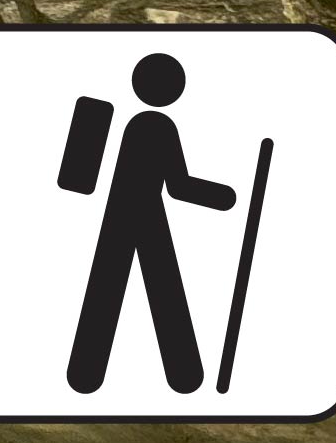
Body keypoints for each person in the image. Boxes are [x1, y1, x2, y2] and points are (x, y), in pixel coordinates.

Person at [67, 52, 238, 394]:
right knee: (163, 290)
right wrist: (226, 197)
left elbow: (76, 177)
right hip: (144, 214)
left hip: (119, 213)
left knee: (110, 290)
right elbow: (179, 186)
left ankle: (85, 376)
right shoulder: (157, 125)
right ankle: (184, 376)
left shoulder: (99, 109)